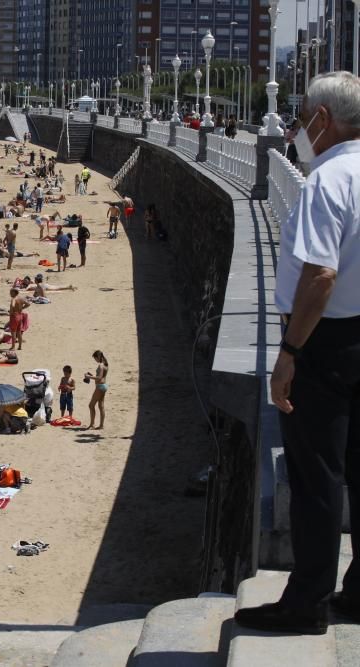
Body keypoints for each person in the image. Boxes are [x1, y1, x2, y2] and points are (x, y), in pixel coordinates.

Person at [235, 72, 360, 636]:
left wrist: (288, 354)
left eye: (302, 113)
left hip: (325, 342)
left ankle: (307, 600)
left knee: (317, 476)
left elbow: (320, 276)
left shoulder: (326, 180)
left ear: (323, 120)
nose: (294, 125)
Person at [84, 350, 109, 430]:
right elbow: (100, 376)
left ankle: (92, 424)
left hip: (100, 386)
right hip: (104, 386)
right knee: (101, 406)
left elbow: (99, 377)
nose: (95, 360)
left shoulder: (101, 366)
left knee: (91, 405)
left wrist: (89, 377)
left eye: (95, 358)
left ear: (98, 357)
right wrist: (92, 375)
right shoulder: (105, 364)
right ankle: (101, 425)